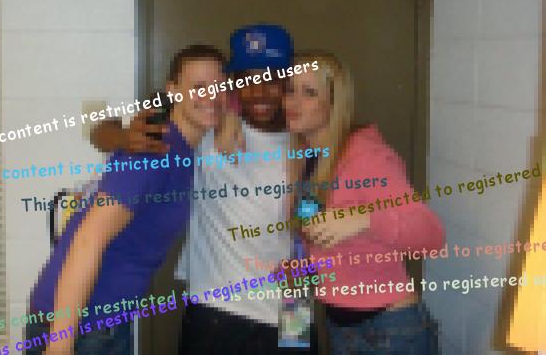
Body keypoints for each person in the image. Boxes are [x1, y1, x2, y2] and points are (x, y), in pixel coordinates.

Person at [91, 24, 314, 354]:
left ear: (287, 83)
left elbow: (308, 231)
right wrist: (127, 138)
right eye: (248, 80)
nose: (260, 92)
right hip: (216, 313)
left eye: (271, 80)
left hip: (293, 308)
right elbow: (101, 131)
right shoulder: (208, 129)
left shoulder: (306, 146)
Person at [26, 44, 227, 354]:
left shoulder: (180, 144)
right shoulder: (154, 151)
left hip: (102, 321)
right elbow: (88, 240)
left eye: (219, 86)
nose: (211, 96)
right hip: (79, 326)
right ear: (173, 90)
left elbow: (104, 130)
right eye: (199, 86)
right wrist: (61, 343)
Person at [282, 51, 445, 354]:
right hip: (341, 328)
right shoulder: (306, 155)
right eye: (290, 90)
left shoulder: (366, 156)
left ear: (334, 102)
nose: (293, 102)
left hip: (390, 331)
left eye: (309, 92)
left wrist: (365, 219)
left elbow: (431, 235)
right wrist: (294, 322)